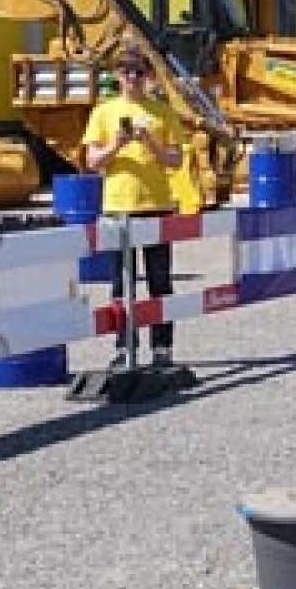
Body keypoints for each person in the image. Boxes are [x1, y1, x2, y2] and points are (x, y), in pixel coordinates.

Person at [81, 47, 188, 371]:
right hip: (118, 206)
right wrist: (117, 143)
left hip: (155, 205)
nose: (133, 79)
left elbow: (176, 160)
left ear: (148, 76)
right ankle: (124, 346)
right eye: (126, 72)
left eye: (139, 72)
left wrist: (149, 143)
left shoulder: (162, 112)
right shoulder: (103, 112)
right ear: (117, 77)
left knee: (160, 280)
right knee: (120, 283)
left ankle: (162, 348)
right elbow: (92, 162)